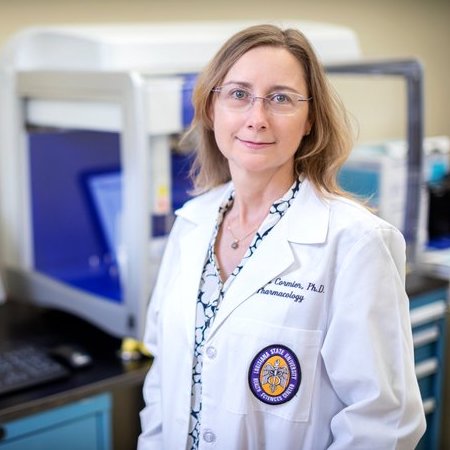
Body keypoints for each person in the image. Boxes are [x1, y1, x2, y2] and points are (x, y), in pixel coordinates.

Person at [137, 23, 426, 450]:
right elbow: (164, 376)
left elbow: (383, 423)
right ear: (212, 108)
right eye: (238, 94)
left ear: (310, 119)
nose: (257, 118)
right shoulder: (191, 224)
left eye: (280, 99)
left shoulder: (355, 243)